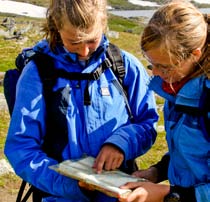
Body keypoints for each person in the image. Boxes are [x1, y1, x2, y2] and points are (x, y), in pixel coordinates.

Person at [4, 0, 158, 202]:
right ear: (57, 28)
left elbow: (147, 123)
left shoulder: (124, 65)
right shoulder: (37, 73)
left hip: (119, 195)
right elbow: (21, 148)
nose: (84, 51)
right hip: (59, 196)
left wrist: (121, 144)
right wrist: (71, 186)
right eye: (74, 42)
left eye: (92, 40)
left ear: (103, 23)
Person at [119, 1, 210, 202]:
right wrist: (157, 172)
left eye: (165, 67)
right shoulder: (177, 86)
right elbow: (190, 153)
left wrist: (169, 195)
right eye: (152, 64)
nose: (157, 74)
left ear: (195, 55)